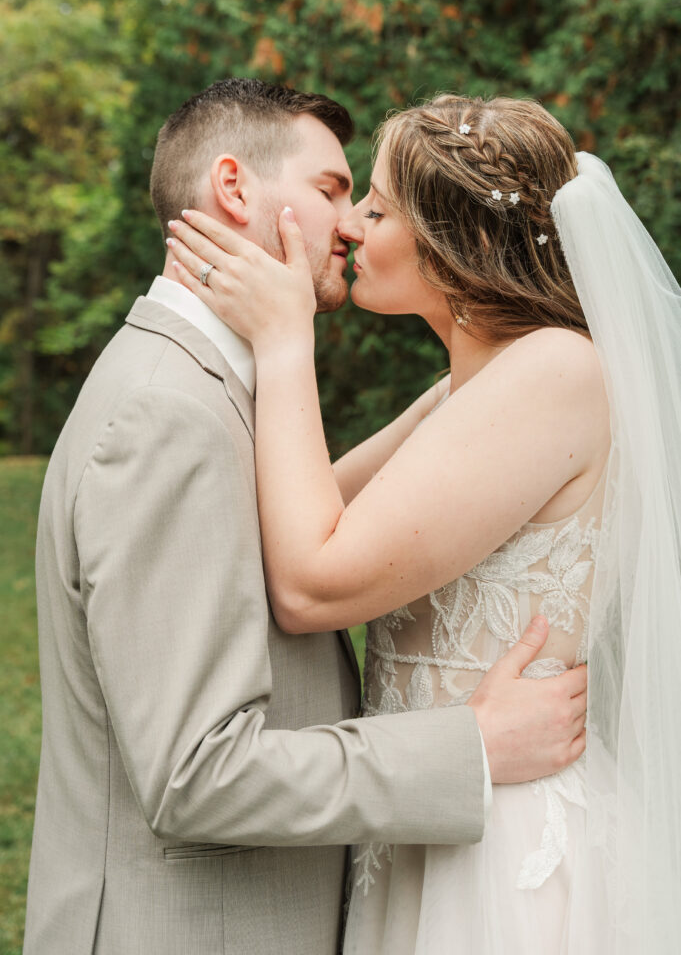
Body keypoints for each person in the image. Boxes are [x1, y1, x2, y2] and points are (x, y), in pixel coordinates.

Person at [23, 80, 588, 955]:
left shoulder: (200, 396)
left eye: (368, 201)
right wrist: (468, 748)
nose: (353, 223)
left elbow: (321, 528)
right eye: (333, 191)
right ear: (235, 190)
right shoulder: (165, 416)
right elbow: (196, 773)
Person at [170, 92, 681, 952]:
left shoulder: (555, 371)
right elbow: (306, 518)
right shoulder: (471, 386)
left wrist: (286, 342)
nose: (350, 228)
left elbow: (308, 585)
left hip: (503, 849)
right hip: (431, 811)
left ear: (467, 241)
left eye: (374, 206)